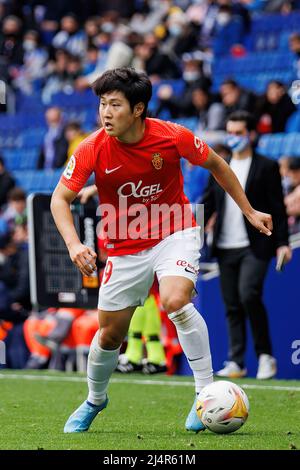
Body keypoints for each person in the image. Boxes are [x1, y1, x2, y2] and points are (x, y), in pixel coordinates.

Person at [50, 67, 273, 434]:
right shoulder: (92, 147)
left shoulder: (172, 136)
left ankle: (204, 395)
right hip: (124, 246)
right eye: (103, 104)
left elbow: (217, 164)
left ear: (138, 109)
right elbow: (60, 198)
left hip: (175, 231)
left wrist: (248, 209)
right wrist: (74, 244)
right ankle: (94, 399)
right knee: (109, 336)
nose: (106, 112)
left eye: (115, 105)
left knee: (175, 300)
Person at [202, 111, 291, 380]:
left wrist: (283, 243)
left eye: (239, 132)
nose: (233, 137)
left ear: (251, 134)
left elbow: (277, 207)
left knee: (248, 294)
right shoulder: (219, 164)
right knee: (231, 304)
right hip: (225, 245)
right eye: (230, 132)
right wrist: (188, 229)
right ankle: (236, 361)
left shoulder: (266, 166)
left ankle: (265, 356)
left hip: (256, 244)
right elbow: (207, 203)